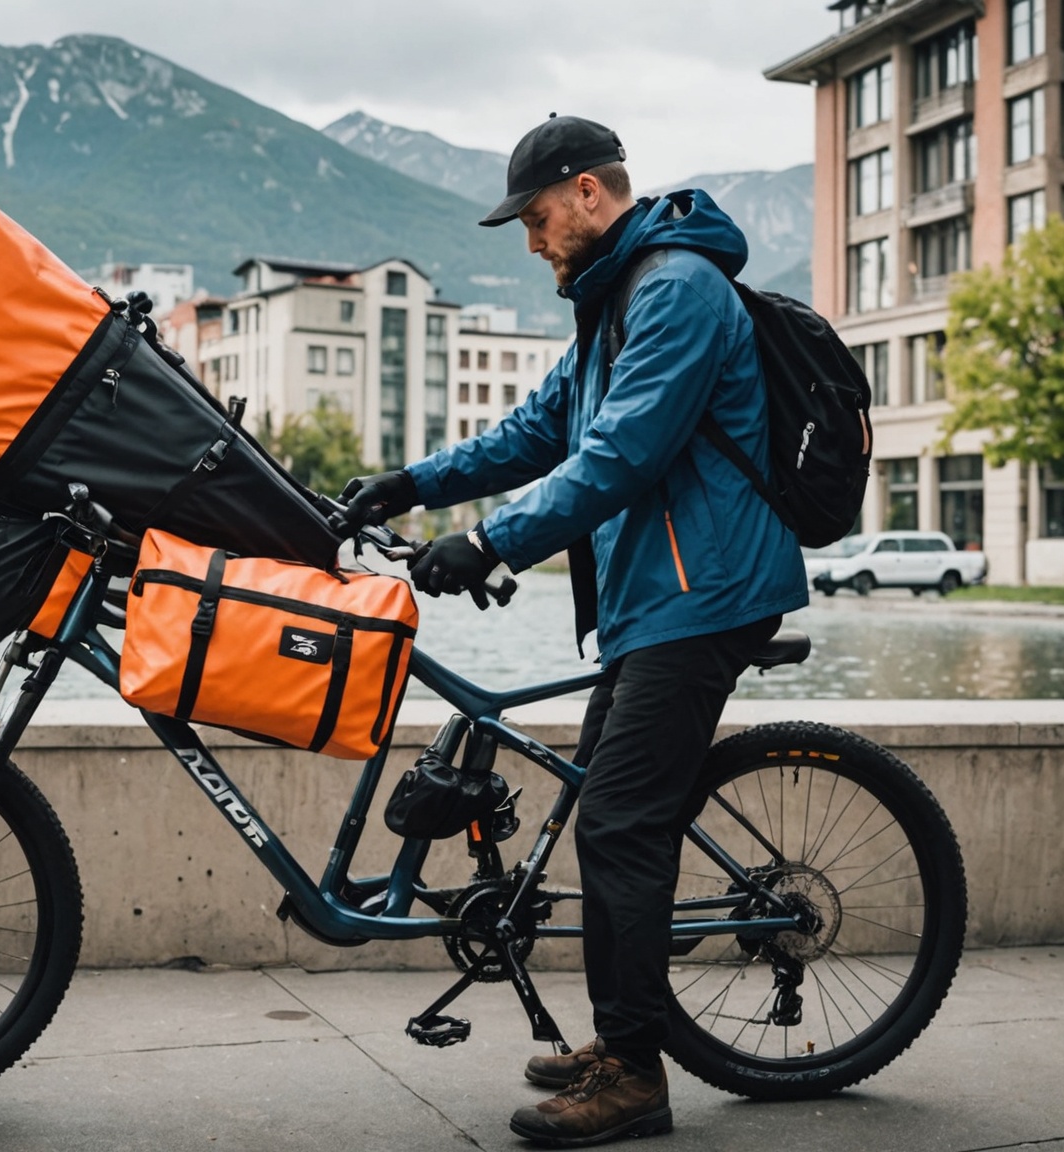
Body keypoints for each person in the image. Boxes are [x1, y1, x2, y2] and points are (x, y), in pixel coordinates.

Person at [336, 114, 807, 1145]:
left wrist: (490, 544)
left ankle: (637, 1075)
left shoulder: (674, 290)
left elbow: (622, 456)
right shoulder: (613, 304)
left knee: (618, 823)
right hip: (659, 599)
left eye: (540, 218)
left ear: (591, 194)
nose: (533, 240)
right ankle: (622, 1034)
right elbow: (535, 434)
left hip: (708, 593)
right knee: (608, 807)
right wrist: (408, 487)